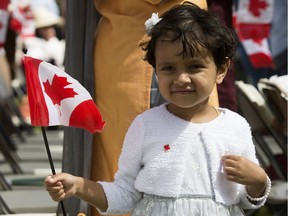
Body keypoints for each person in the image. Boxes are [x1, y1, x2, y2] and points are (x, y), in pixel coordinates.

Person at [45, 2, 271, 215]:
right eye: (169, 68)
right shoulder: (145, 125)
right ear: (155, 70)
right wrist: (81, 186)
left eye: (195, 67)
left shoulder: (235, 126)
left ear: (221, 69)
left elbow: (244, 198)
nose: (182, 78)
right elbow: (125, 193)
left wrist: (259, 181)